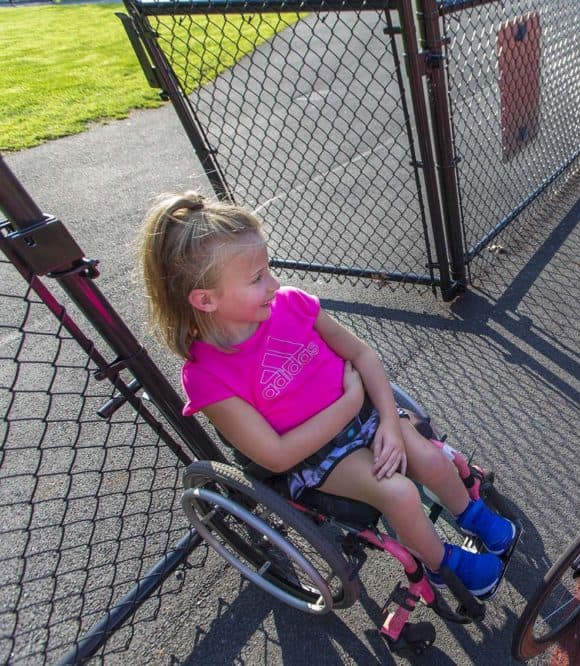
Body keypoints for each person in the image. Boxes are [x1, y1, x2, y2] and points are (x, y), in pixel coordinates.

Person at [139, 192, 516, 597]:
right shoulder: (208, 377)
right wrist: (349, 403)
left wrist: (388, 421)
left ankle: (470, 513)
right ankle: (442, 565)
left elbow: (362, 354)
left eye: (268, 269)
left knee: (427, 456)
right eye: (257, 278)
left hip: (367, 419)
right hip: (316, 458)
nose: (275, 283)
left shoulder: (291, 304)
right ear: (206, 300)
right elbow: (277, 455)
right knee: (400, 493)